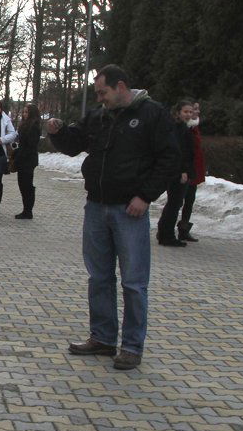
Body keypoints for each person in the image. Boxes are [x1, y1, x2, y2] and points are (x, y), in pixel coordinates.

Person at [45, 64, 179, 371]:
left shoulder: (151, 115)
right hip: (96, 206)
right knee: (99, 277)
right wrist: (59, 132)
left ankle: (132, 346)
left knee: (134, 281)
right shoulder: (99, 116)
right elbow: (75, 143)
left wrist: (145, 196)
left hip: (129, 209)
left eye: (102, 92)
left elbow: (169, 159)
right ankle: (103, 338)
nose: (100, 98)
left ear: (121, 86)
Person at [156, 100, 196, 247]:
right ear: (178, 112)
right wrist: (183, 171)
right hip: (177, 171)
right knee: (174, 203)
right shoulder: (177, 128)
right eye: (186, 112)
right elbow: (179, 151)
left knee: (175, 203)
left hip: (179, 170)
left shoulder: (184, 128)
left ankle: (164, 232)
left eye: (191, 112)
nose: (188, 114)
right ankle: (167, 235)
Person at [176, 101, 206, 242]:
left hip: (194, 169)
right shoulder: (184, 129)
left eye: (197, 109)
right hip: (185, 169)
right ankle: (168, 229)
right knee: (177, 200)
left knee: (189, 200)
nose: (196, 112)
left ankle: (184, 228)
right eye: (194, 109)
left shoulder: (194, 127)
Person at [13, 103, 42, 219]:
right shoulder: (24, 125)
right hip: (23, 158)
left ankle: (28, 210)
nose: (24, 114)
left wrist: (21, 153)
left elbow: (31, 145)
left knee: (27, 185)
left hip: (28, 159)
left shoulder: (34, 126)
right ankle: (26, 209)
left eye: (26, 112)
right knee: (23, 184)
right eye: (23, 112)